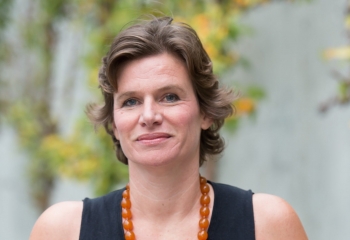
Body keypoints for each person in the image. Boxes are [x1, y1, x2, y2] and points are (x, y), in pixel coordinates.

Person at [30, 16, 308, 240]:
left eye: (170, 97)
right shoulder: (62, 231)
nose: (149, 115)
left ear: (206, 112)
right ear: (114, 124)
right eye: (131, 101)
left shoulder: (268, 225)